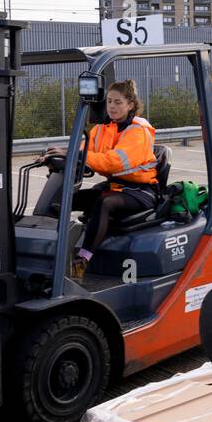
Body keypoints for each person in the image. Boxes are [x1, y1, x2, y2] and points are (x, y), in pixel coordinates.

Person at [40, 80, 158, 278]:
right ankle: (48, 251)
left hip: (140, 191)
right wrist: (60, 153)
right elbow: (84, 148)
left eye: (118, 102)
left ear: (131, 104)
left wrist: (77, 156)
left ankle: (82, 261)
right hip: (114, 187)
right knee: (65, 200)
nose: (111, 106)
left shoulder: (138, 131)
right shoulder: (105, 128)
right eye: (109, 101)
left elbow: (112, 162)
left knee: (105, 203)